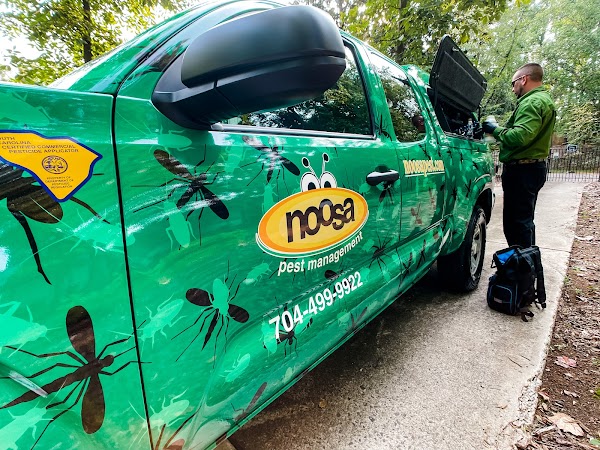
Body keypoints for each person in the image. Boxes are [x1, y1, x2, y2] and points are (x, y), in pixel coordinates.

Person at [483, 63, 556, 248]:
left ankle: (521, 266)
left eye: (513, 83)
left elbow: (520, 136)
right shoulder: (543, 99)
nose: (513, 89)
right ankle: (526, 262)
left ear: (524, 79)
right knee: (524, 222)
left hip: (523, 170)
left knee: (516, 226)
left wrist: (494, 129)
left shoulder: (531, 102)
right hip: (532, 168)